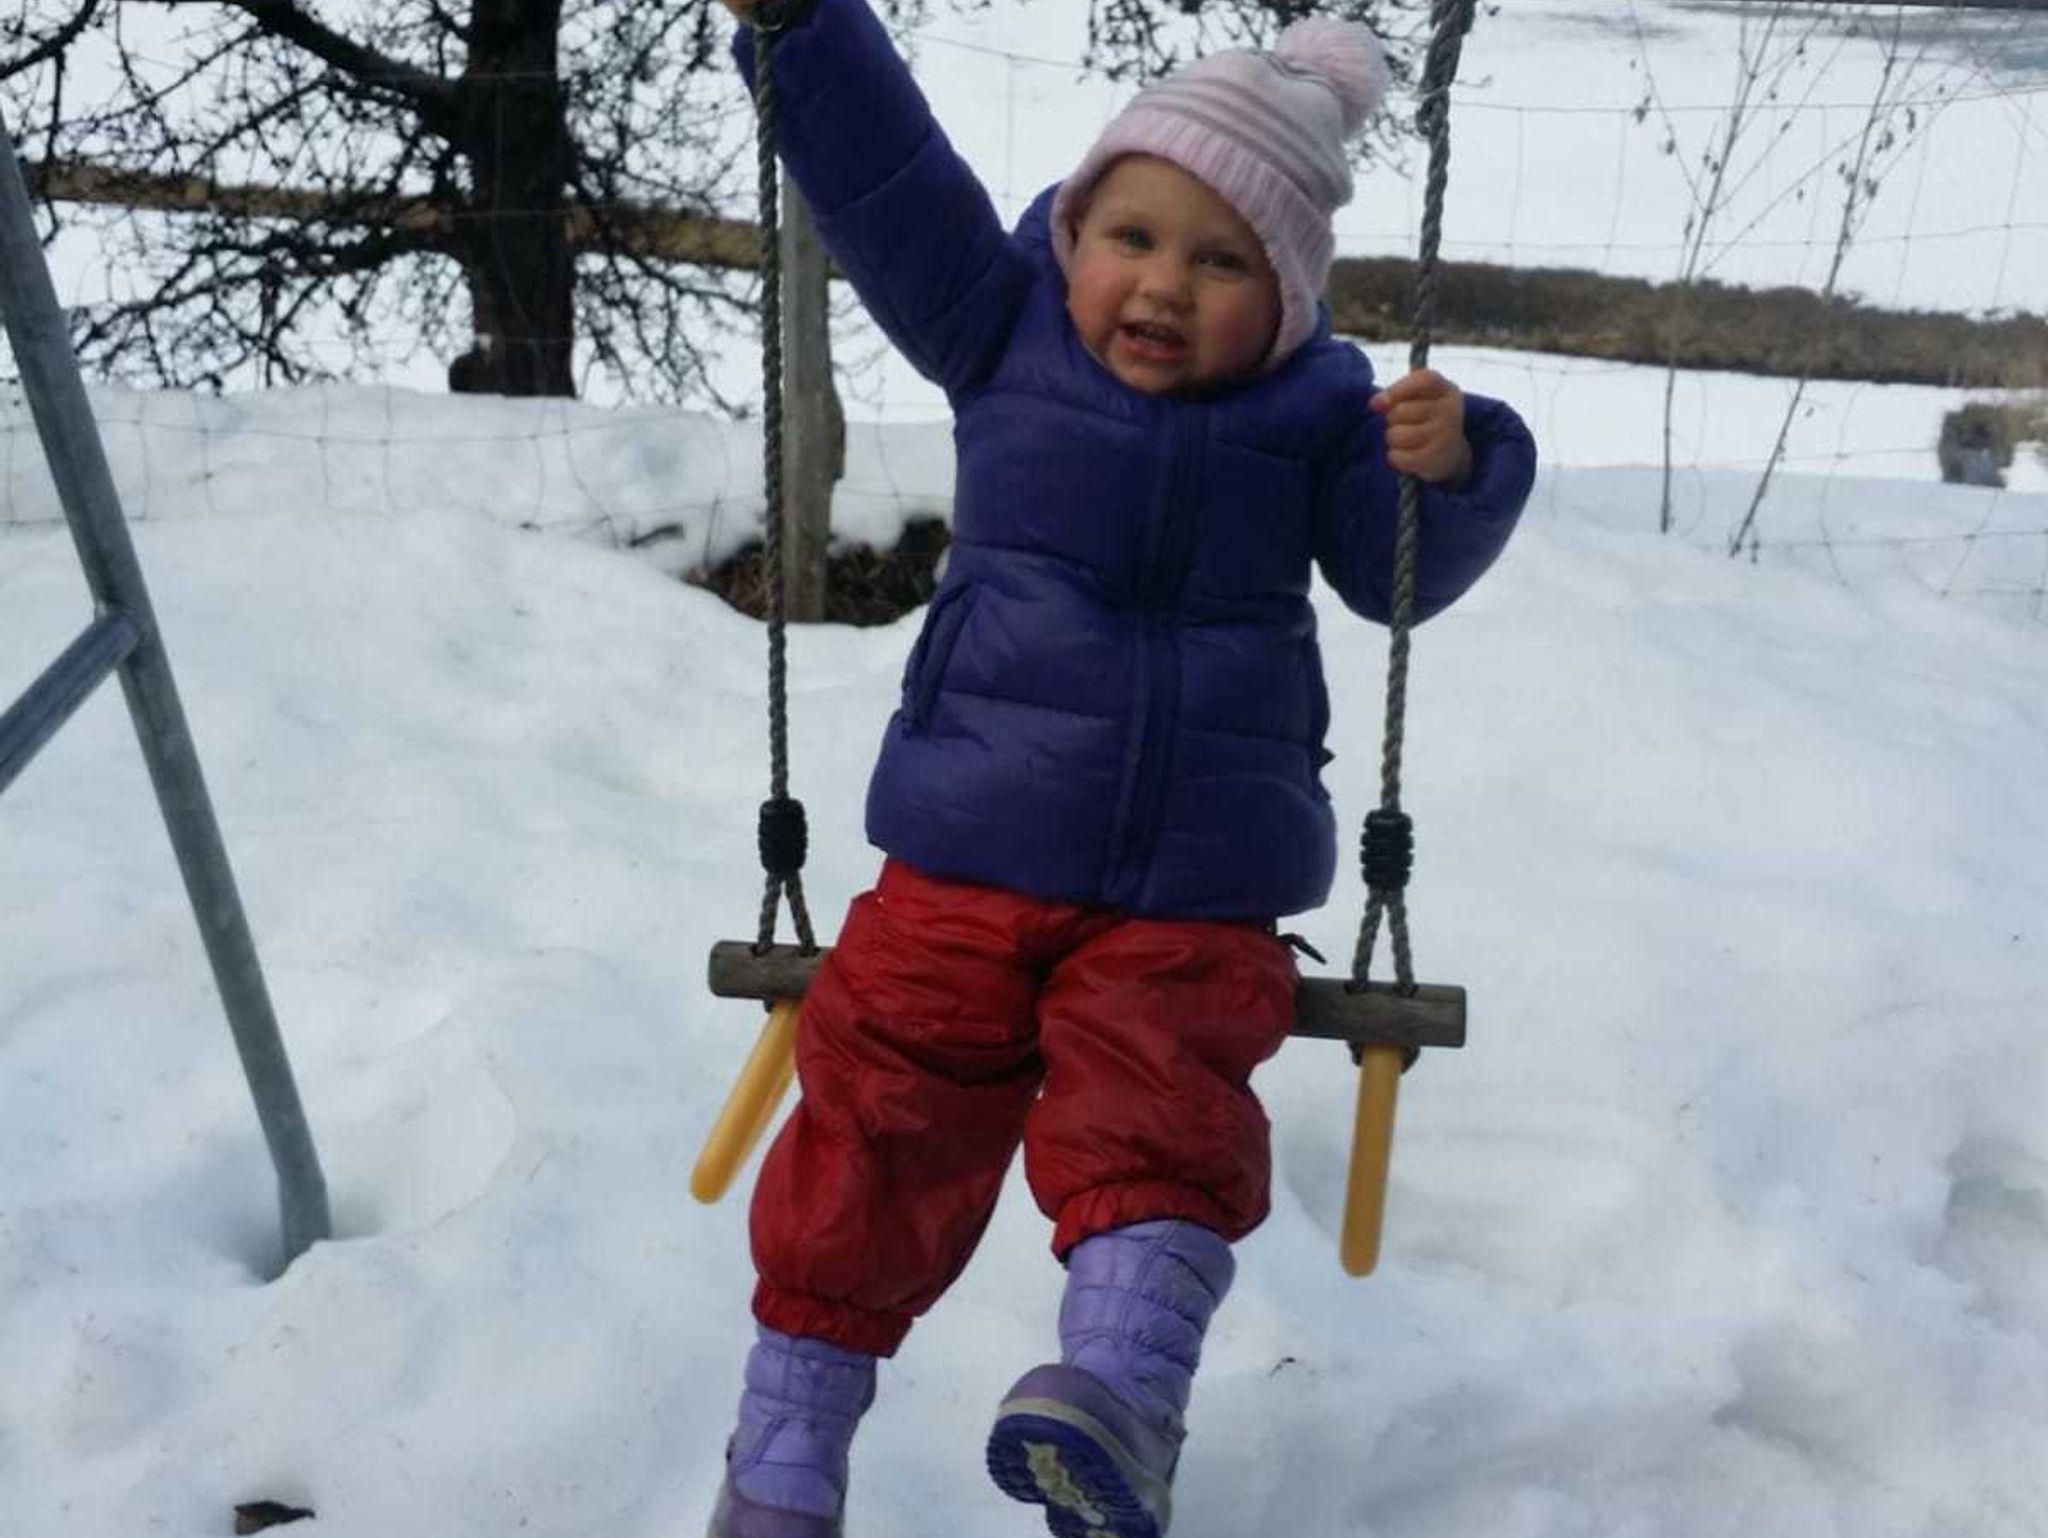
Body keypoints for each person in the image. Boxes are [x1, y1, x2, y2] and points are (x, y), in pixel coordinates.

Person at [705, 1, 1536, 1534]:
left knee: (1159, 1110)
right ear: (1074, 231)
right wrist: (802, 30)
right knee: (879, 1112)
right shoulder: (996, 324)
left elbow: (1393, 573)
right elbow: (887, 176)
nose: (1162, 284)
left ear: (1285, 294)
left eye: (1221, 261)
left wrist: (1461, 463)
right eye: (1132, 237)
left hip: (1197, 884)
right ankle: (782, 1459)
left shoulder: (1319, 413)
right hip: (965, 845)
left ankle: (1119, 1403)